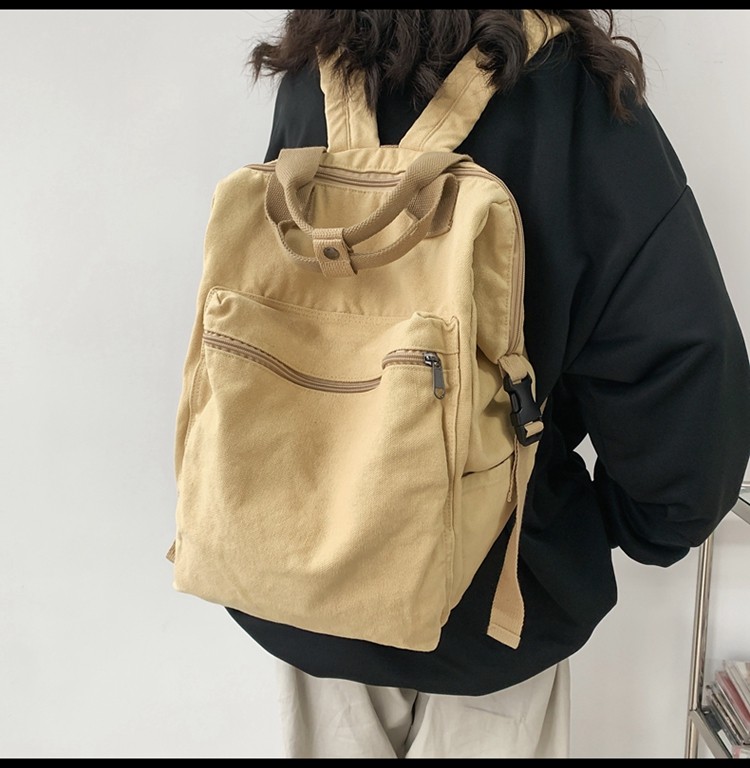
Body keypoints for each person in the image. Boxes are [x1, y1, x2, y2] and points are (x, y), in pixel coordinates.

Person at [223, 10, 750, 758]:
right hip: (496, 595)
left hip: (306, 580)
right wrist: (603, 523)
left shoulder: (320, 70)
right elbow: (685, 380)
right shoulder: (576, 100)